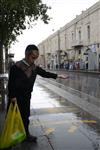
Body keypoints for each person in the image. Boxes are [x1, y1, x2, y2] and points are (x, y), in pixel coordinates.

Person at [7, 44, 69, 143]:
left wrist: (58, 75)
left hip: (26, 97)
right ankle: (10, 137)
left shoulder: (34, 67)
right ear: (27, 55)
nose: (34, 60)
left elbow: (45, 73)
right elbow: (11, 83)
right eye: (33, 57)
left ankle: (25, 135)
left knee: (25, 116)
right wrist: (12, 96)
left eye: (36, 58)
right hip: (16, 98)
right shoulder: (16, 67)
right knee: (13, 118)